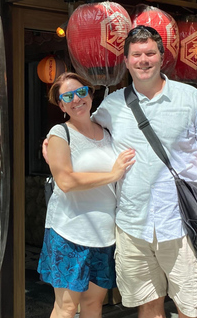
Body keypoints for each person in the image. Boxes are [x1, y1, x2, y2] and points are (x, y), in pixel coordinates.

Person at [45, 26, 197, 318]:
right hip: (132, 227)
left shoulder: (191, 98)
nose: (143, 60)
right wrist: (55, 142)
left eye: (150, 53)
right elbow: (83, 129)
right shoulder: (113, 105)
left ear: (161, 57)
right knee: (148, 305)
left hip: (180, 223)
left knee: (190, 308)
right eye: (136, 55)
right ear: (127, 62)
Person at [38, 72, 136, 318]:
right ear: (61, 105)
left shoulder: (107, 131)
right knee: (67, 307)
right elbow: (66, 181)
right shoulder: (60, 133)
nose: (76, 100)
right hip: (69, 232)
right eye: (67, 96)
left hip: (104, 234)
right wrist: (112, 175)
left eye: (81, 92)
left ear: (91, 95)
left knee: (94, 304)